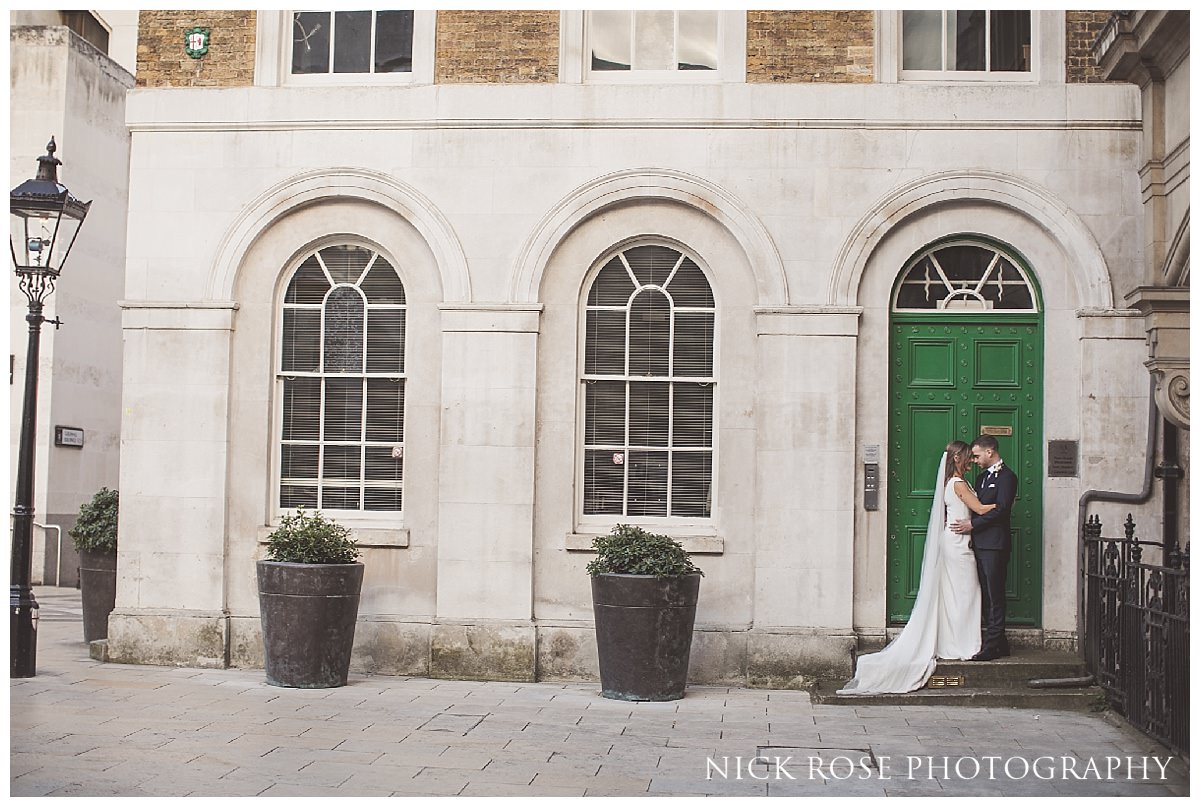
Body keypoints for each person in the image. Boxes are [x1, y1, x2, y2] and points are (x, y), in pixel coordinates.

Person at [837, 441, 995, 694]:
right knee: (966, 595)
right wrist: (1005, 504)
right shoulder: (957, 484)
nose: (971, 462)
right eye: (967, 457)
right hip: (957, 545)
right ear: (956, 459)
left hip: (957, 542)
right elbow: (979, 509)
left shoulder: (954, 483)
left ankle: (955, 641)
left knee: (956, 595)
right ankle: (964, 645)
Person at [950, 434, 1018, 661]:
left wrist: (973, 524)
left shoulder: (1007, 477)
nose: (974, 460)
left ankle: (992, 646)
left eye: (977, 455)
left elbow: (1002, 510)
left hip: (995, 545)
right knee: (987, 595)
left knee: (995, 594)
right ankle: (1000, 643)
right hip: (978, 544)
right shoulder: (979, 479)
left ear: (990, 452)